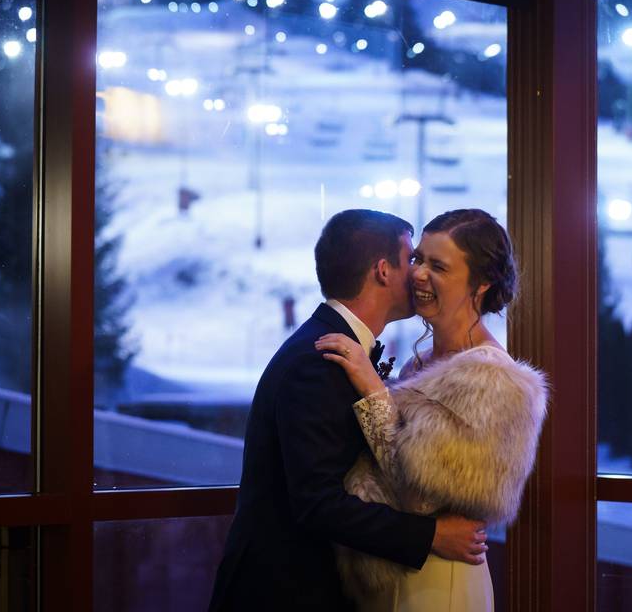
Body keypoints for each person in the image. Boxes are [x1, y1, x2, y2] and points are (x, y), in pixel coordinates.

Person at [208, 209, 488, 611]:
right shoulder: (319, 360)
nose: (419, 274)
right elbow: (317, 502)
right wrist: (429, 535)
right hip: (283, 593)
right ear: (382, 271)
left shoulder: (335, 348)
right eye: (411, 260)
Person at [315, 209, 548, 611]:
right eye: (418, 258)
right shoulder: (419, 364)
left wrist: (371, 386)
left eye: (437, 266)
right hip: (393, 573)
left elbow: (422, 495)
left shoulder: (494, 379)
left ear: (481, 284)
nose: (418, 274)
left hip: (441, 582)